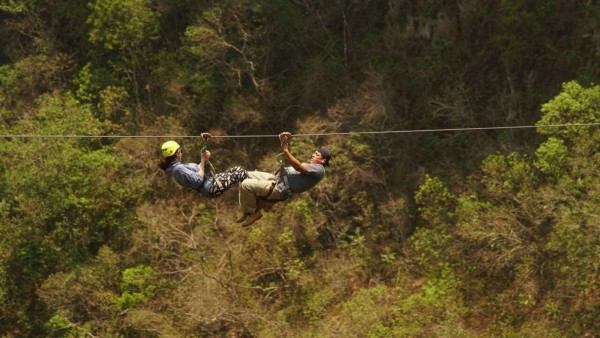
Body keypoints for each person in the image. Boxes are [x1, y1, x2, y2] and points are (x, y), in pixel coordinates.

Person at [236, 132, 332, 227]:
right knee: (244, 175)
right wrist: (284, 140)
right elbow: (295, 164)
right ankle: (247, 211)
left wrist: (286, 150)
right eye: (314, 153)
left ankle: (253, 213)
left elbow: (298, 166)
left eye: (317, 154)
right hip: (275, 179)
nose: (313, 155)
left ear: (323, 161)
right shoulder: (313, 167)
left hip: (279, 188)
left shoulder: (319, 169)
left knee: (246, 185)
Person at [157, 139, 248, 198]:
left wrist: (204, 159)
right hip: (212, 187)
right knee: (241, 172)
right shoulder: (179, 169)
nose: (182, 153)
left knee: (238, 169)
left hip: (212, 182)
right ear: (177, 153)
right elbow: (198, 180)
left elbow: (199, 170)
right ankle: (252, 207)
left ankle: (250, 207)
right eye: (181, 151)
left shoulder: (179, 168)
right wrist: (203, 160)